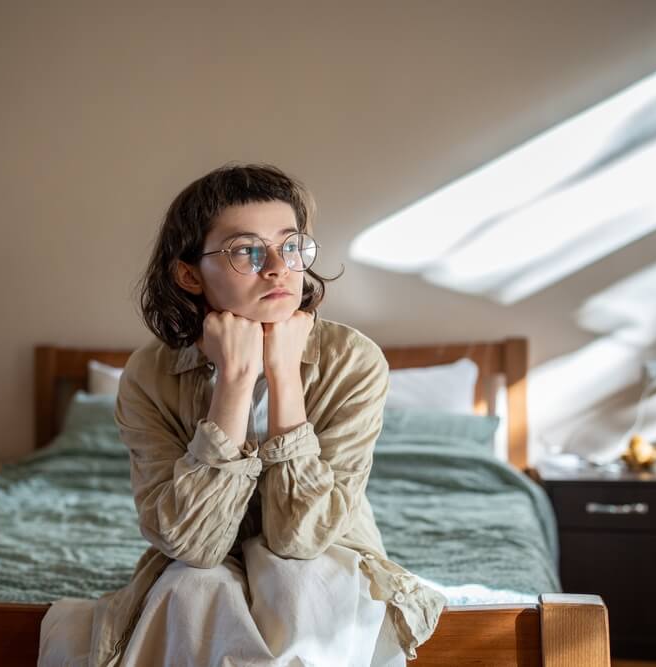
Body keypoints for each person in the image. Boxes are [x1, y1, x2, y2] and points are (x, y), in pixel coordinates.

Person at [38, 163, 446, 667]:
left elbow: (300, 538)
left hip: (325, 553)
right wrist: (233, 378)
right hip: (201, 561)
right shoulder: (149, 374)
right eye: (245, 250)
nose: (277, 266)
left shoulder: (353, 361)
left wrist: (284, 376)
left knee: (306, 579)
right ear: (189, 274)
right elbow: (195, 544)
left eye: (290, 245)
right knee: (192, 585)